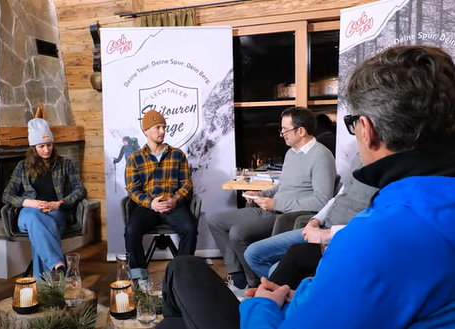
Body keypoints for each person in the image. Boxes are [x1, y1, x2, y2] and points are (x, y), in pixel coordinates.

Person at [157, 45, 455, 329]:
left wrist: (262, 305)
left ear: (367, 130)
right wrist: (297, 295)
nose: (282, 134)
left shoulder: (376, 238)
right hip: (299, 301)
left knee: (182, 269)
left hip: (273, 312)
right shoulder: (426, 207)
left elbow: (327, 206)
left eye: (352, 124)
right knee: (178, 309)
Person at [207, 107, 336, 292]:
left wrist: (276, 203)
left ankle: (254, 284)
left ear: (301, 131)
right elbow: (282, 187)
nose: (282, 133)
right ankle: (238, 278)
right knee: (215, 221)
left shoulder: (322, 156)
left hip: (286, 216)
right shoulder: (292, 153)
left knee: (237, 233)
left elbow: (322, 201)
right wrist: (262, 195)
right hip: (271, 208)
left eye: (285, 129)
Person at [243, 154, 377, 279]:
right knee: (252, 254)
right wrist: (315, 220)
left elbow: (377, 225)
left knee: (275, 269)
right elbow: (338, 197)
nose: (283, 134)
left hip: (343, 238)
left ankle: (286, 292)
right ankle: (285, 291)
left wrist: (328, 233)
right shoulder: (359, 157)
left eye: (285, 130)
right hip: (322, 226)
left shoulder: (391, 173)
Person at [2, 118, 87, 280]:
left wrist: (59, 204)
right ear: (33, 148)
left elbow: (80, 190)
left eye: (49, 145)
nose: (47, 150)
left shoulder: (65, 164)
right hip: (28, 213)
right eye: (41, 146)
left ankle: (44, 285)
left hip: (55, 212)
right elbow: (7, 195)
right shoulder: (22, 166)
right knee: (34, 216)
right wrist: (29, 203)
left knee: (39, 230)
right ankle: (58, 264)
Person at [124, 109, 197, 279]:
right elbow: (132, 189)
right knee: (131, 230)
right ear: (146, 131)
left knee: (189, 228)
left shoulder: (178, 155)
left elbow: (186, 185)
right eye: (157, 127)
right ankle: (139, 276)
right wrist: (151, 203)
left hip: (172, 205)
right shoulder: (135, 158)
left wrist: (175, 201)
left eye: (164, 127)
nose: (162, 131)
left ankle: (180, 274)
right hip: (148, 206)